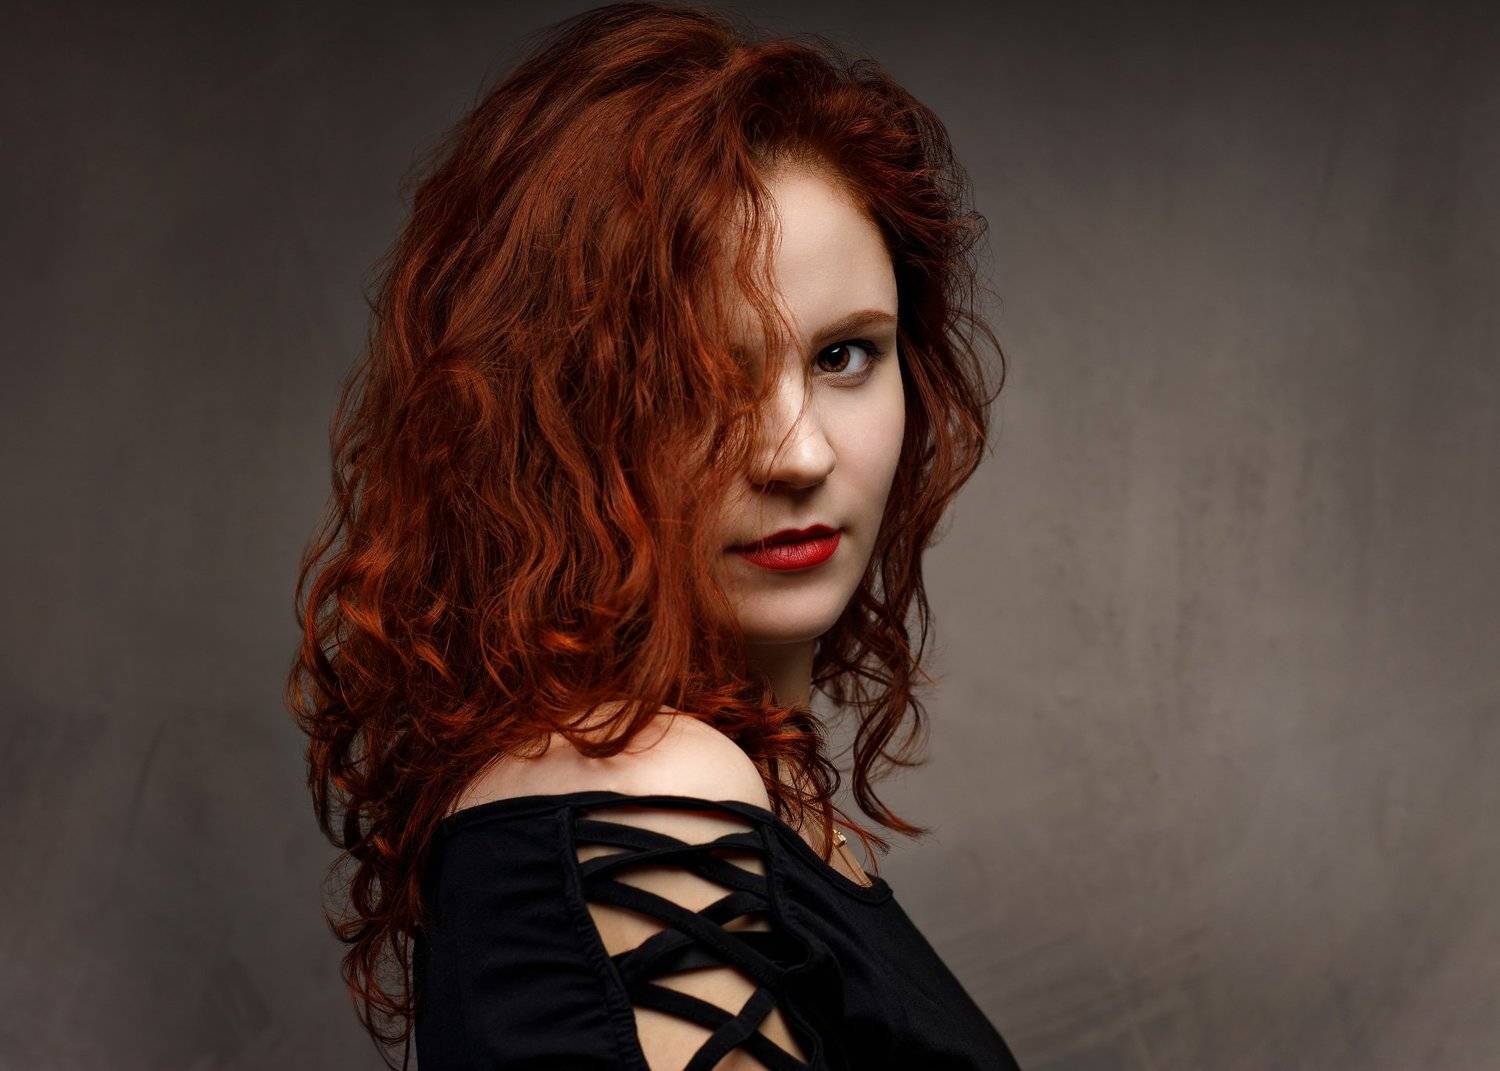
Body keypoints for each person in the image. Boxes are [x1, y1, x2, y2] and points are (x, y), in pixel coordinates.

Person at [288, 2, 1018, 1068]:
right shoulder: (649, 788)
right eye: (704, 380)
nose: (798, 452)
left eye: (844, 356)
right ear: (555, 419)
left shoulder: (739, 798)